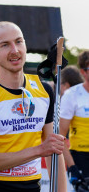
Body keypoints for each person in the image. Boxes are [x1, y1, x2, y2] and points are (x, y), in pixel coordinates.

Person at [0, 21, 67, 192]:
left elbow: (53, 151)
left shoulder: (44, 90)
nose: (15, 50)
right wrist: (39, 150)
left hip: (32, 187)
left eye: (19, 41)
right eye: (5, 45)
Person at [59, 50, 89, 190]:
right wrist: (72, 167)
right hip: (81, 158)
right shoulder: (72, 95)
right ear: (83, 72)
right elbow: (60, 137)